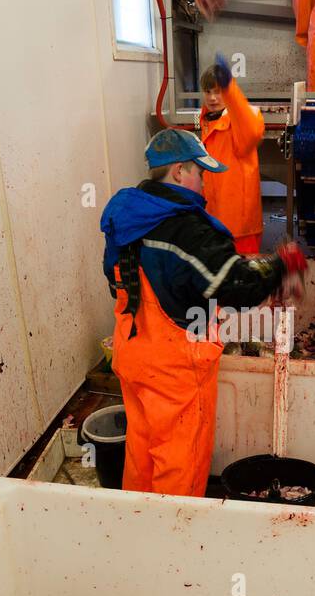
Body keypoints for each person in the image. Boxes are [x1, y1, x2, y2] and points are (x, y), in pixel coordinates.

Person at [100, 129, 293, 499]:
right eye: (201, 173)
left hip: (133, 356)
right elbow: (237, 288)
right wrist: (281, 265)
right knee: (179, 464)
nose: (205, 183)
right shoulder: (186, 229)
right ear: (178, 172)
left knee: (141, 455)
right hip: (175, 370)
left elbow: (115, 281)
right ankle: (177, 545)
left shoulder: (125, 216)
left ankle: (135, 530)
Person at [199, 54, 266, 255]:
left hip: (239, 227)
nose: (212, 98)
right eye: (208, 91)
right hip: (215, 219)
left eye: (219, 92)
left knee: (245, 280)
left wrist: (231, 89)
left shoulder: (242, 120)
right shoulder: (209, 120)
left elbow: (251, 128)